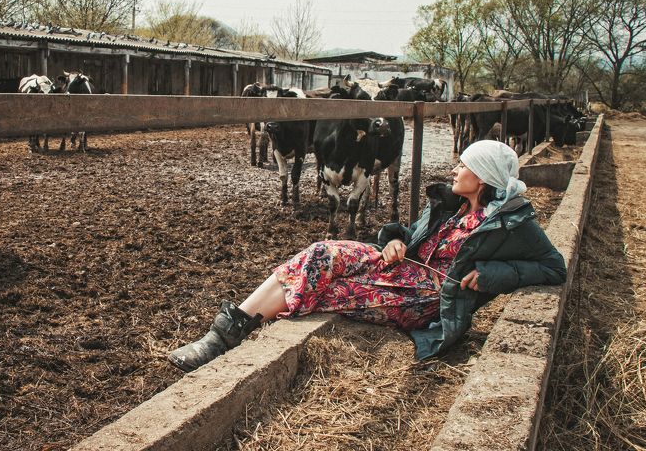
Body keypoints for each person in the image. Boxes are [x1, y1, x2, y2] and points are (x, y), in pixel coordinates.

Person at [167, 140, 566, 372]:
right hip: (399, 264)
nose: (457, 168)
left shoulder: (511, 222)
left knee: (332, 292)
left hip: (428, 297)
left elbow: (553, 266)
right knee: (321, 254)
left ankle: (229, 337)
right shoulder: (450, 204)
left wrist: (494, 274)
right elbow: (414, 236)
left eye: (465, 164)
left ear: (483, 176)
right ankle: (225, 333)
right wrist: (396, 240)